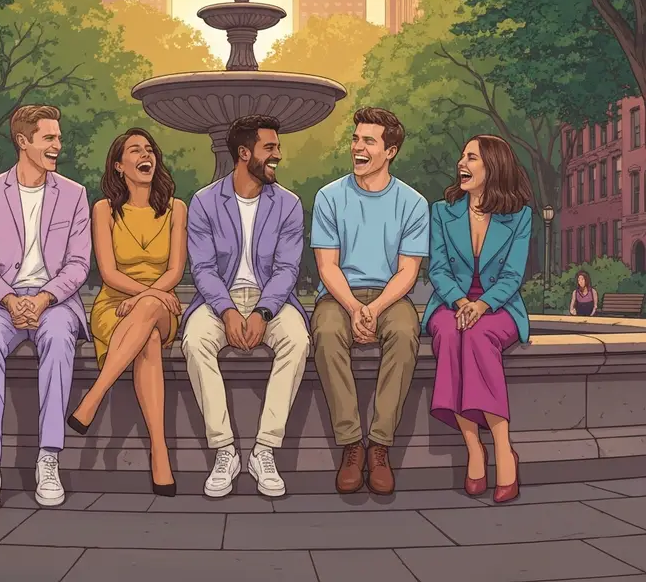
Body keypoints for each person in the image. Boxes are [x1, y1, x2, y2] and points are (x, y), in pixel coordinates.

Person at [0, 105, 91, 514]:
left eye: (58, 137)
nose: (58, 145)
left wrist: (44, 298)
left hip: (55, 300)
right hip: (3, 298)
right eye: (49, 138)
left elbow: (78, 265)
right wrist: (11, 300)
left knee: (56, 336)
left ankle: (48, 457)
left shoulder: (74, 195)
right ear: (24, 141)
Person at [181, 115, 309, 498]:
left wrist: (263, 311)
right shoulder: (205, 202)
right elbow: (202, 268)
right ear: (243, 153)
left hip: (273, 300)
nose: (278, 156)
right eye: (270, 149)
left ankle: (265, 450)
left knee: (298, 341)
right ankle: (224, 451)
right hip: (218, 300)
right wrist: (228, 311)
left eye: (277, 148)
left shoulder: (288, 204)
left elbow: (288, 270)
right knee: (194, 341)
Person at [311, 107, 429, 496]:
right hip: (340, 293)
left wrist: (374, 310)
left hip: (390, 296)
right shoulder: (329, 196)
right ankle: (350, 446)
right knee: (326, 331)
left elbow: (408, 271)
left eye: (368, 141)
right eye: (355, 139)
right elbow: (327, 266)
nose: (357, 148)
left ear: (390, 151)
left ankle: (379, 445)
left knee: (406, 330)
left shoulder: (412, 203)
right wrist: (352, 307)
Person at [66, 128, 186, 497]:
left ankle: (93, 397)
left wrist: (149, 296)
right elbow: (109, 272)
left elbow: (175, 271)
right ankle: (160, 452)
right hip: (114, 306)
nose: (144, 155)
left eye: (148, 149)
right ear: (119, 166)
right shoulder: (103, 210)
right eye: (134, 151)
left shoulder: (176, 208)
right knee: (147, 337)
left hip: (163, 303)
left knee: (150, 313)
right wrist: (144, 296)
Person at [422, 134, 533, 504]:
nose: (461, 163)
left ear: (493, 166)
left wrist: (482, 305)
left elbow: (513, 276)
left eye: (471, 157)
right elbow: (437, 270)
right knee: (453, 334)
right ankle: (473, 447)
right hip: (449, 303)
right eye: (462, 156)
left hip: (498, 307)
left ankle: (503, 448)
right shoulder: (442, 211)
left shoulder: (520, 216)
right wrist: (458, 302)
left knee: (479, 336)